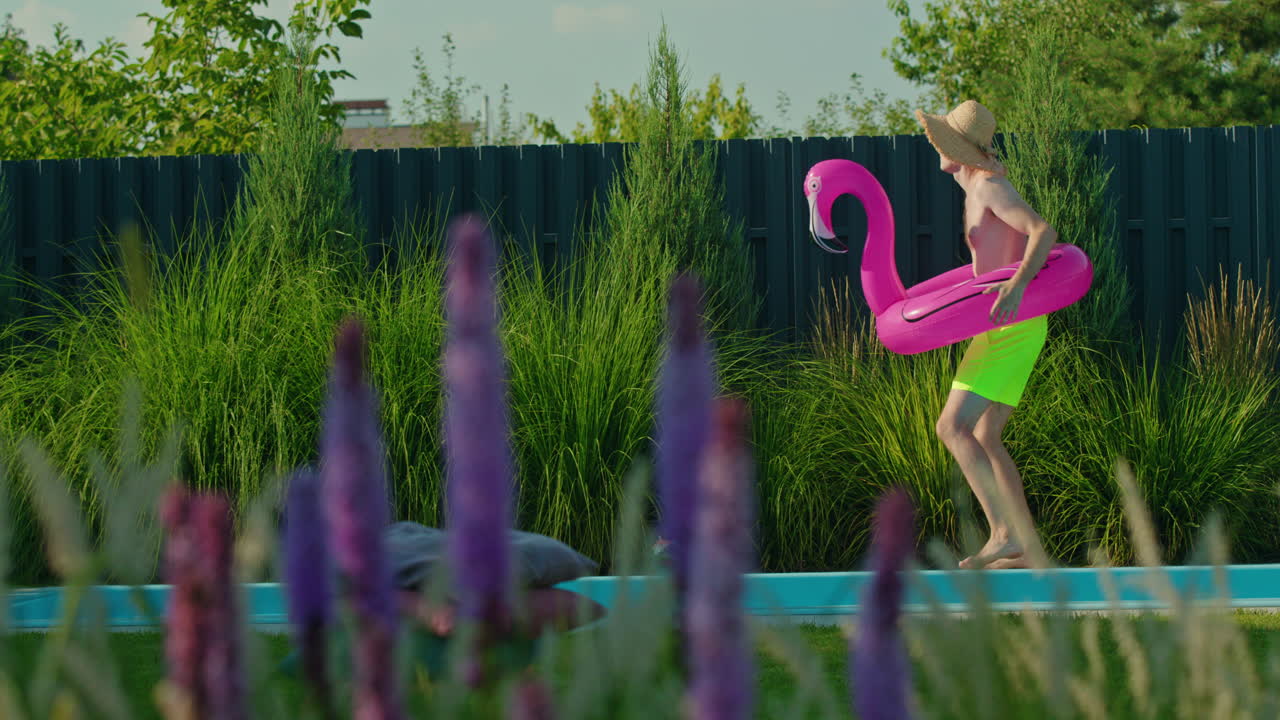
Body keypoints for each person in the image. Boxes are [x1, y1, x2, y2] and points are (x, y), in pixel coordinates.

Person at [914, 100, 1059, 570]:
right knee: (987, 434)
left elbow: (1042, 231)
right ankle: (1023, 546)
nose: (934, 144)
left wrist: (1016, 287)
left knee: (950, 427)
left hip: (1009, 323)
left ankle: (1001, 535)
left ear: (958, 148)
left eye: (941, 139)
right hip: (1000, 323)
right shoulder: (974, 185)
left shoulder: (991, 188)